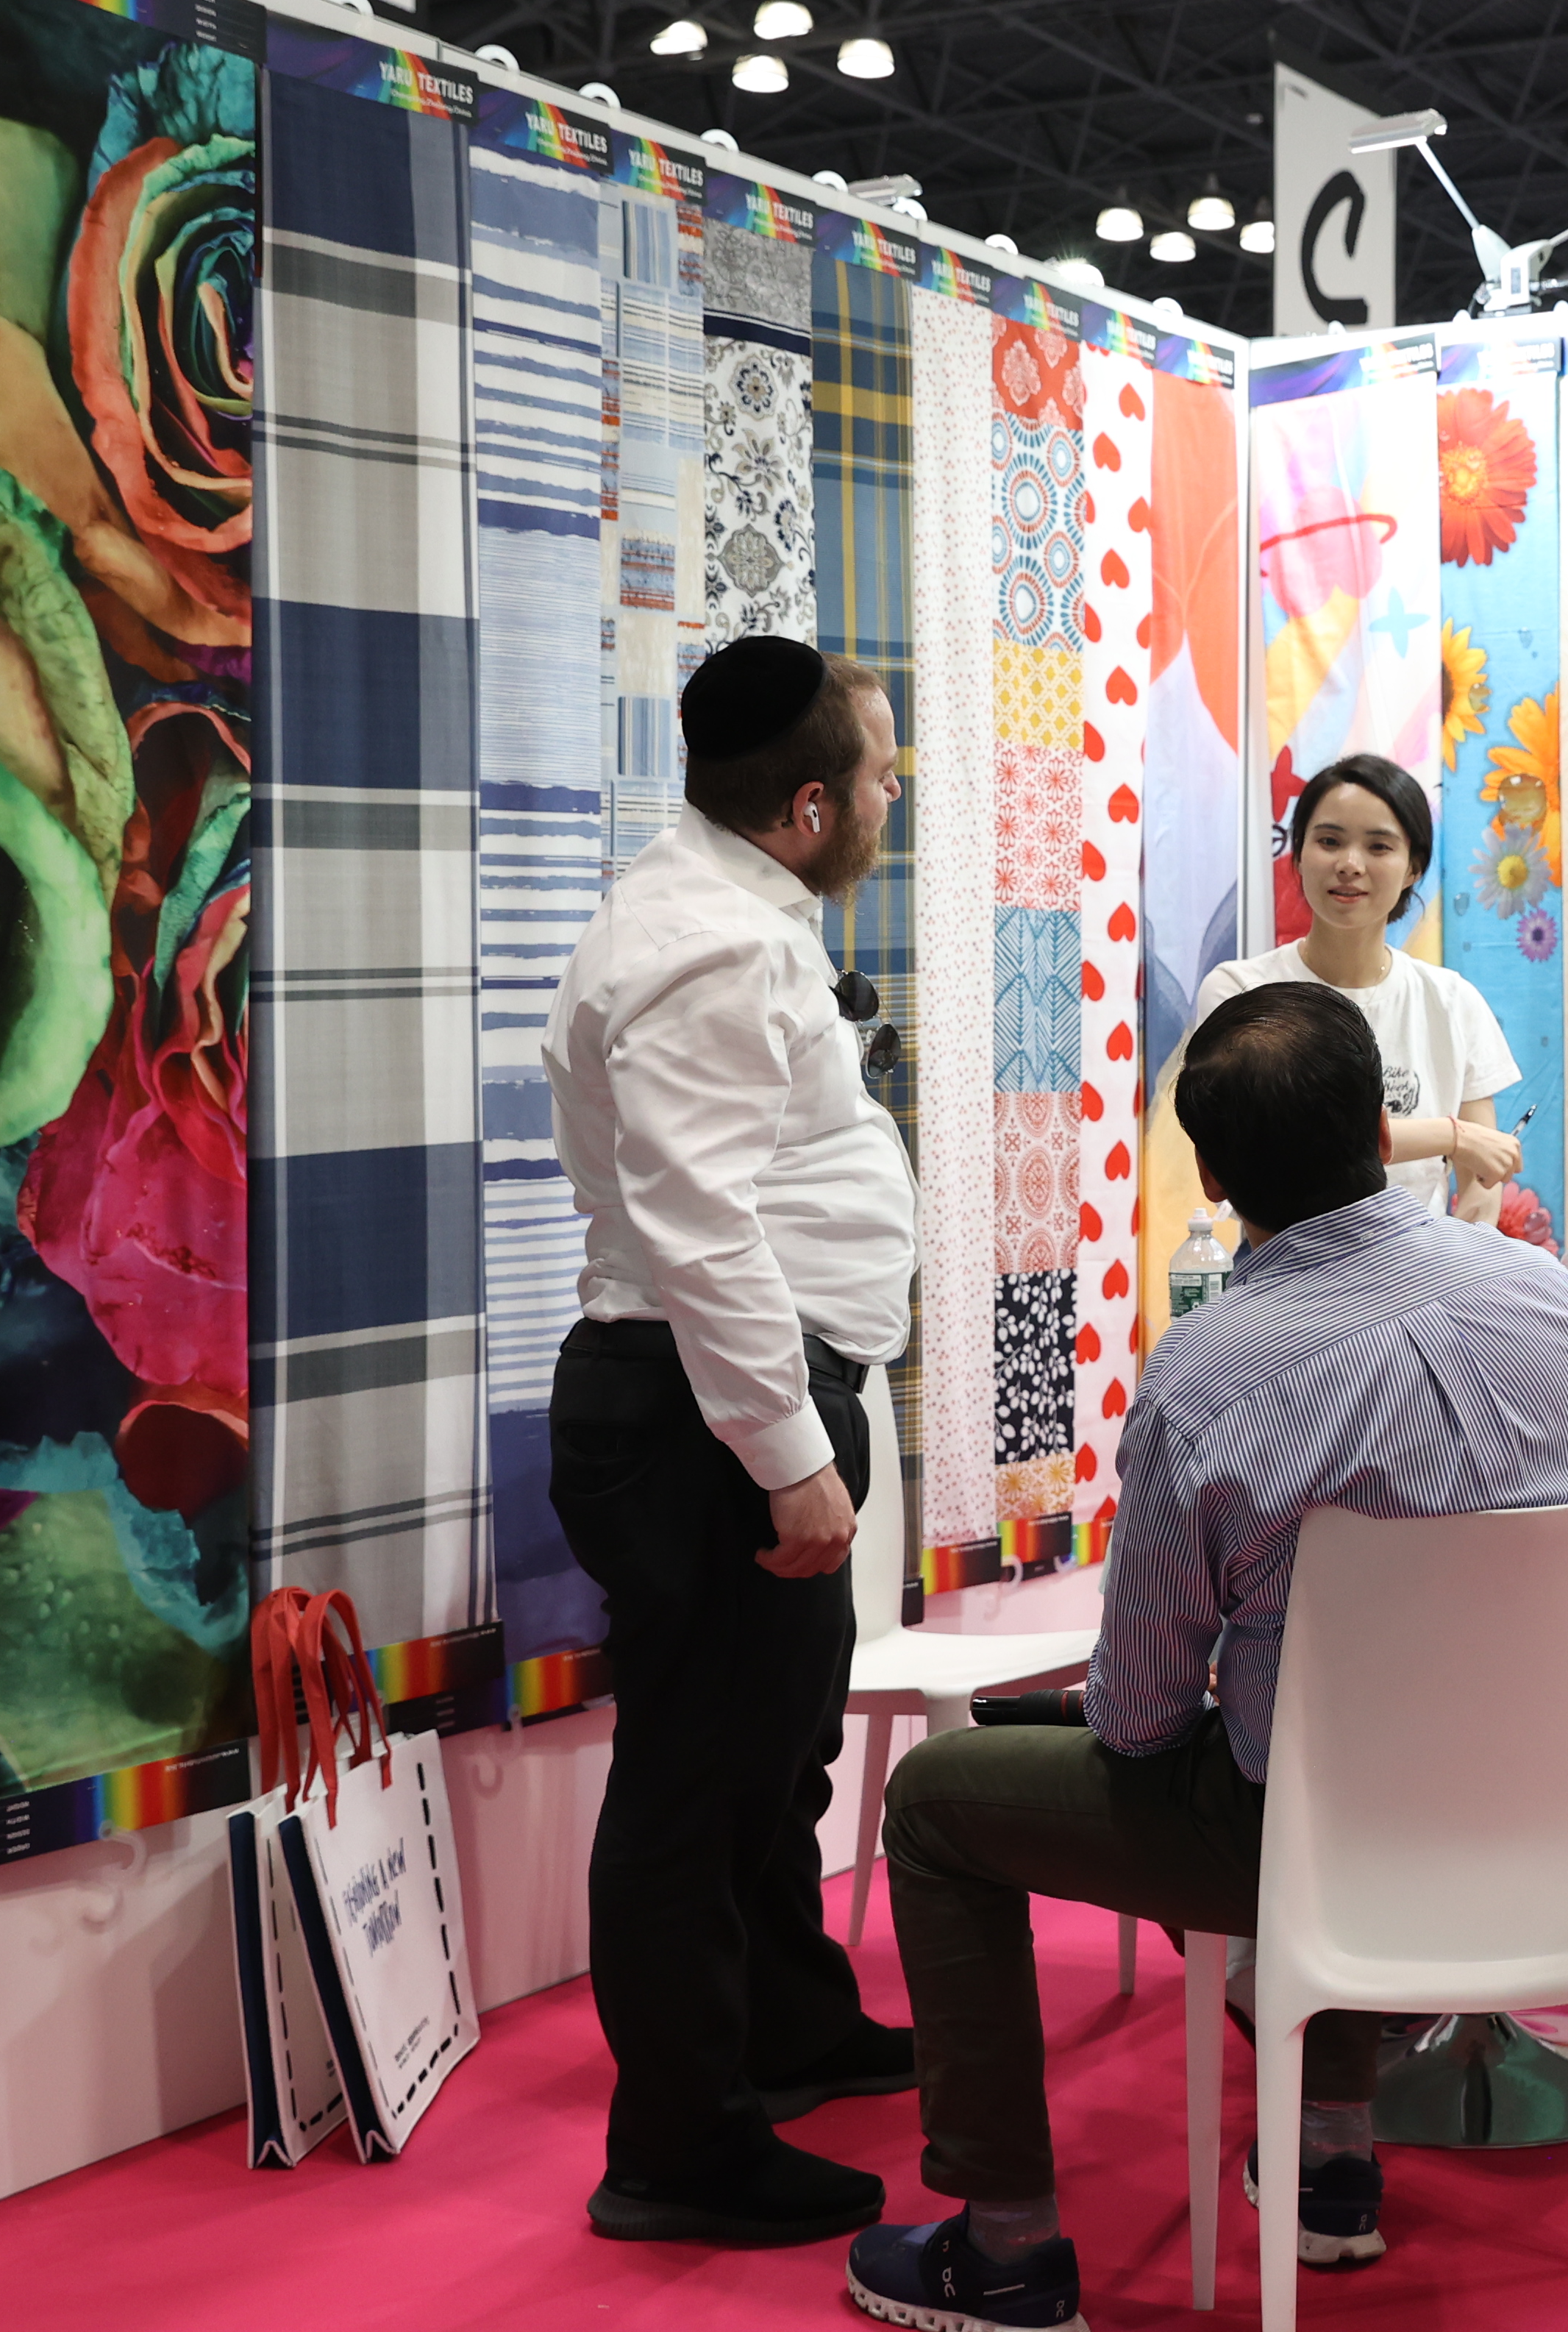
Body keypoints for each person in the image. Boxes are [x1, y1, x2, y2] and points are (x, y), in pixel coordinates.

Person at [844, 981, 1568, 2332]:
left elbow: (1145, 1721)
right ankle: (1331, 2157)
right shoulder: (1552, 1299)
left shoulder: (1205, 1377)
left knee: (938, 1800)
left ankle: (1008, 2244)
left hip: (1328, 1835)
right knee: (1307, 1735)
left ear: (1207, 1174)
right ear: (1383, 1134)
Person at [543, 636, 919, 2246]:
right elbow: (699, 1234)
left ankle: (788, 2027)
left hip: (733, 1399)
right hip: (706, 1415)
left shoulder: (726, 916)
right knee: (697, 1781)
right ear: (814, 805)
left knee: (774, 1754)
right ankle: (678, 2148)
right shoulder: (714, 950)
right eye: (886, 781)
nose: (894, 802)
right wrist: (789, 1455)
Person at [1190, 752, 1520, 1222]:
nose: (1349, 864)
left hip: (1419, 1271)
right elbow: (1282, 1146)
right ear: (1298, 854)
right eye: (1329, 841)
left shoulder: (1452, 1002)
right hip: (1286, 1271)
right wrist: (1453, 1136)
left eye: (1379, 847)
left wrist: (1454, 1268)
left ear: (1413, 869)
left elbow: (1482, 1184)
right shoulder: (1241, 991)